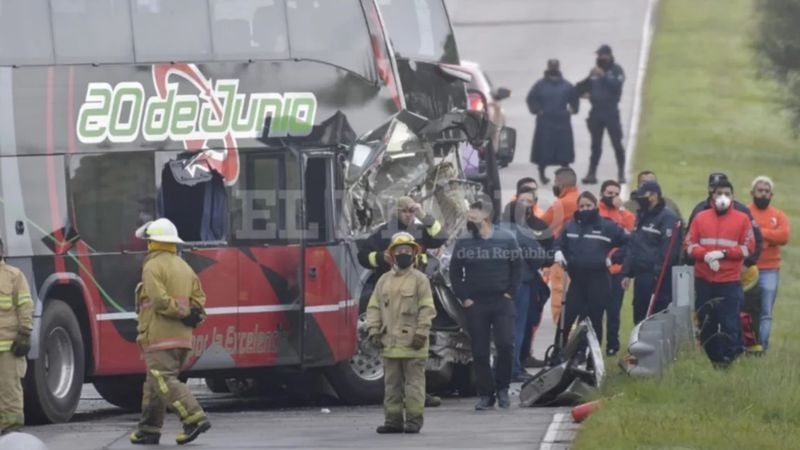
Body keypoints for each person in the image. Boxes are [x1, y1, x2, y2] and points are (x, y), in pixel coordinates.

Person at [356, 196, 447, 407]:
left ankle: (417, 394)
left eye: (411, 211)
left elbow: (440, 236)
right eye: (405, 211)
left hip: (416, 291)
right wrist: (380, 258)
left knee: (418, 347)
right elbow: (363, 255)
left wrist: (424, 215)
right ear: (397, 211)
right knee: (396, 350)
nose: (409, 214)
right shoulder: (385, 232)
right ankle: (398, 396)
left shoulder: (418, 230)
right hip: (391, 294)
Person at [130, 218, 210, 445]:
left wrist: (182, 312)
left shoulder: (152, 266)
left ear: (153, 243)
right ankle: (149, 429)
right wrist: (192, 314)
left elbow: (159, 301)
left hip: (159, 337)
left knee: (162, 379)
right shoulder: (184, 267)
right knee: (154, 384)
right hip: (182, 339)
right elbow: (199, 300)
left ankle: (194, 417)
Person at [450, 201, 522, 410]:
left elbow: (517, 267)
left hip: (502, 301)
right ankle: (486, 394)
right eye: (469, 217)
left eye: (473, 217)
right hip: (476, 303)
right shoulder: (464, 242)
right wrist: (464, 297)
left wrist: (510, 292)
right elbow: (455, 272)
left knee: (505, 345)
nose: (470, 221)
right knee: (480, 351)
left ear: (486, 217)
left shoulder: (506, 239)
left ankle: (503, 390)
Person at [366, 232, 436, 434]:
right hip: (390, 345)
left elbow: (427, 309)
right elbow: (374, 308)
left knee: (414, 386)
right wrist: (373, 331)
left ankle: (414, 421)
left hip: (414, 344)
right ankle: (393, 421)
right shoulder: (383, 281)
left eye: (407, 250)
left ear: (414, 254)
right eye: (400, 250)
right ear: (392, 254)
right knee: (391, 387)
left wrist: (421, 333)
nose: (404, 253)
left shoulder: (420, 280)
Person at [684, 180, 755, 367]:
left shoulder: (742, 219)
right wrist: (705, 256)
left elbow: (748, 248)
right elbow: (689, 244)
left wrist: (724, 254)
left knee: (729, 323)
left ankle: (728, 358)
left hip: (729, 280)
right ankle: (715, 358)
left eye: (727, 193)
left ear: (733, 196)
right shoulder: (701, 217)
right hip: (704, 279)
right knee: (706, 323)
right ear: (711, 196)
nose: (722, 197)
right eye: (718, 193)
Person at [553, 192, 627, 346]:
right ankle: (557, 354)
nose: (585, 209)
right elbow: (559, 243)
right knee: (566, 319)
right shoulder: (571, 225)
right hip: (577, 280)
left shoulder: (608, 226)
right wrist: (559, 253)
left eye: (588, 206)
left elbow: (629, 243)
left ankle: (591, 359)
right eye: (581, 206)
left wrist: (613, 258)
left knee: (594, 320)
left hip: (598, 280)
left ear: (595, 206)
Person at [500, 188, 548, 382]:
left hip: (496, 287)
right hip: (520, 286)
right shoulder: (523, 232)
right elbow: (538, 257)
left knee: (499, 330)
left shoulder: (495, 230)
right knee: (517, 328)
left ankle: (500, 366)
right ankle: (514, 368)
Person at [621, 181, 682, 324]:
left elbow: (669, 250)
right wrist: (627, 272)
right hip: (641, 276)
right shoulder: (642, 215)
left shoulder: (668, 218)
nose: (640, 200)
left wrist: (657, 272)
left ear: (654, 196)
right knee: (640, 312)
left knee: (657, 315)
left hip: (658, 278)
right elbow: (634, 244)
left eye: (643, 195)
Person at [748, 176, 790, 352]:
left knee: (765, 313)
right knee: (747, 310)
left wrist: (759, 232)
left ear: (771, 194)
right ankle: (747, 345)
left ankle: (763, 348)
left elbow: (784, 236)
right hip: (748, 269)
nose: (763, 194)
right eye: (760, 190)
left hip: (770, 270)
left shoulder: (778, 215)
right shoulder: (745, 212)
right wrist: (770, 235)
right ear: (752, 193)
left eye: (766, 191)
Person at [687, 172, 762, 267]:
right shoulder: (699, 211)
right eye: (715, 189)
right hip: (703, 272)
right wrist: (696, 261)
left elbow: (755, 240)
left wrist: (747, 264)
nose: (722, 196)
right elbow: (689, 241)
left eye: (726, 193)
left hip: (732, 273)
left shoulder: (742, 212)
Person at [527, 59, 579, 184]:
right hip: (545, 122)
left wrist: (572, 110)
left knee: (564, 150)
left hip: (562, 121)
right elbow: (531, 99)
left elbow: (574, 100)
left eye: (555, 66)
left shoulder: (566, 85)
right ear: (548, 67)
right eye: (551, 66)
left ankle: (564, 175)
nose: (553, 68)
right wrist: (537, 110)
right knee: (544, 149)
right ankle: (542, 174)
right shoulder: (540, 85)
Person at [597, 180, 635, 355]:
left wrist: (626, 269)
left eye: (615, 193)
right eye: (609, 193)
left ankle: (612, 345)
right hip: (597, 270)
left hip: (617, 270)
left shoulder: (626, 216)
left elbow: (632, 243)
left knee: (614, 312)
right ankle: (593, 345)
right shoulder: (595, 212)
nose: (612, 197)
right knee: (595, 312)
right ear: (602, 193)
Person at [579, 44, 626, 184]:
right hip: (596, 112)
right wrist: (583, 93)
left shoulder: (616, 70)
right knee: (595, 145)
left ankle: (621, 173)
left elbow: (616, 87)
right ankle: (591, 173)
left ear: (609, 55)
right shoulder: (594, 71)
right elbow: (586, 85)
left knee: (617, 143)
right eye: (598, 55)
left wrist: (604, 76)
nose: (600, 58)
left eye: (602, 55)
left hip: (611, 111)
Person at [0, 238, 33, 435]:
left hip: (9, 349)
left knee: (9, 391)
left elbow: (25, 304)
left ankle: (11, 433)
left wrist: (24, 333)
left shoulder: (13, 275)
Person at [542, 167, 579, 323]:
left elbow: (541, 225)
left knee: (559, 294)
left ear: (563, 183)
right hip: (580, 257)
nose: (555, 185)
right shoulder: (582, 199)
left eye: (556, 182)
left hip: (561, 257)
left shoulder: (562, 203)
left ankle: (563, 330)